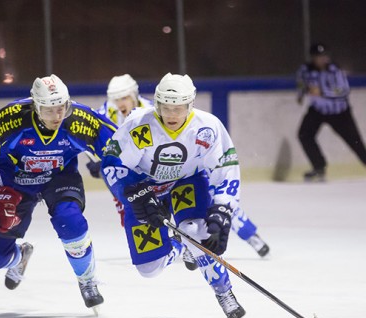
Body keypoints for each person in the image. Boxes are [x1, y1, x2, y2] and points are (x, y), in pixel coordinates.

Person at [101, 73, 246, 318]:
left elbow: (226, 168)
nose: (171, 114)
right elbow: (112, 164)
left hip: (185, 182)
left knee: (197, 231)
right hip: (145, 188)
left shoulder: (207, 127)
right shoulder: (139, 125)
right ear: (157, 104)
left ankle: (223, 291)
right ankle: (180, 244)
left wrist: (223, 208)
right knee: (149, 269)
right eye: (166, 107)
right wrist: (135, 194)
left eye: (178, 107)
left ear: (190, 104)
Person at [0, 74, 116, 312]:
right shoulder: (10, 119)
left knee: (70, 221)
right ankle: (18, 258)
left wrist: (116, 167)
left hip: (60, 177)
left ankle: (87, 280)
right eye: (49, 110)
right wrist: (3, 192)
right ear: (36, 106)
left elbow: (117, 145)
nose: (58, 116)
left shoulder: (79, 120)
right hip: (18, 182)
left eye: (61, 108)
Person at [92, 74, 270, 257]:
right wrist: (105, 165)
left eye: (124, 98)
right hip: (146, 180)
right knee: (134, 212)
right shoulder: (105, 114)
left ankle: (251, 236)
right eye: (116, 99)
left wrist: (223, 208)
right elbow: (108, 149)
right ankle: (180, 243)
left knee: (218, 203)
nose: (120, 103)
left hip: (181, 172)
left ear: (134, 95)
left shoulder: (152, 111)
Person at [296, 43, 366, 182]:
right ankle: (319, 167)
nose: (323, 59)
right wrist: (301, 93)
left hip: (339, 112)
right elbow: (301, 82)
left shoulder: (335, 70)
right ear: (313, 58)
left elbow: (343, 91)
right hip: (318, 110)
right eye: (319, 57)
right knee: (304, 134)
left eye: (325, 56)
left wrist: (322, 92)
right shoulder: (305, 69)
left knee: (355, 141)